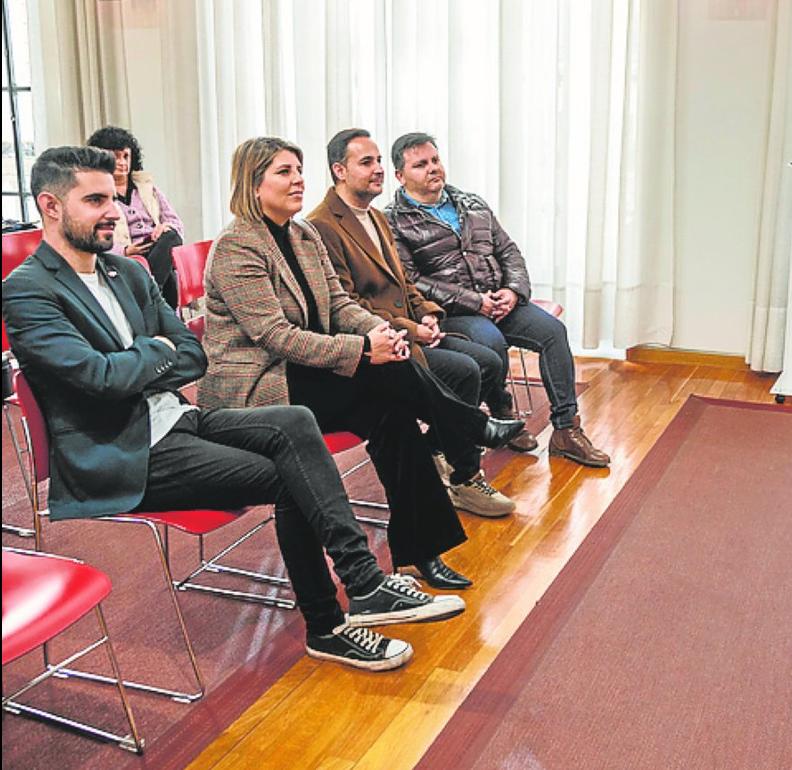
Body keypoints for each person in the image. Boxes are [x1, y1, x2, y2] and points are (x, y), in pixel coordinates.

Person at [2, 146, 467, 672]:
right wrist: (155, 351)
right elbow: (99, 379)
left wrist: (145, 357)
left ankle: (361, 587)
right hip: (122, 450)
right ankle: (332, 620)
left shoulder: (126, 273)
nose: (113, 210)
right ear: (51, 206)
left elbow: (192, 354)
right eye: (95, 200)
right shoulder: (26, 292)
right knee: (291, 474)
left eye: (112, 197)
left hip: (179, 419)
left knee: (297, 424)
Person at [198, 137, 525, 590]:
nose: (297, 180)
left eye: (298, 169)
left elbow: (337, 306)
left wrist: (383, 333)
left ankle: (419, 554)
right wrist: (364, 350)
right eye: (283, 172)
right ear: (254, 185)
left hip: (307, 372)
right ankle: (467, 424)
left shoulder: (303, 234)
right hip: (258, 385)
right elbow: (275, 337)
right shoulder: (237, 247)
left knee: (393, 415)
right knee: (383, 371)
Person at [306, 128, 523, 518]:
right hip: (378, 340)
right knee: (465, 370)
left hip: (409, 327)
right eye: (366, 162)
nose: (378, 170)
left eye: (378, 161)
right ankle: (465, 475)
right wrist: (409, 327)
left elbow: (404, 282)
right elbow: (346, 303)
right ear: (339, 170)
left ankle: (439, 451)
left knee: (488, 363)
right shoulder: (323, 224)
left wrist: (426, 312)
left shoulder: (375, 215)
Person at [385, 132, 611, 468]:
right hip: (453, 312)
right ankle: (502, 413)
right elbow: (411, 281)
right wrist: (475, 301)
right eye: (421, 165)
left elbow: (508, 251)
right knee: (490, 343)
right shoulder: (392, 220)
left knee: (553, 332)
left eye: (435, 160)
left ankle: (566, 430)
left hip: (500, 300)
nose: (433, 168)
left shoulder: (472, 203)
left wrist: (513, 291)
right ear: (400, 176)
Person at [86, 126, 185, 310]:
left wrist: (164, 227)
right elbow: (94, 237)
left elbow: (176, 223)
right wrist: (125, 251)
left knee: (171, 237)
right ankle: (159, 306)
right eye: (116, 156)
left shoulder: (148, 187)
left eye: (126, 156)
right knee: (169, 274)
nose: (122, 162)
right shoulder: (95, 195)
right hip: (128, 259)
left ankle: (149, 294)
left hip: (157, 248)